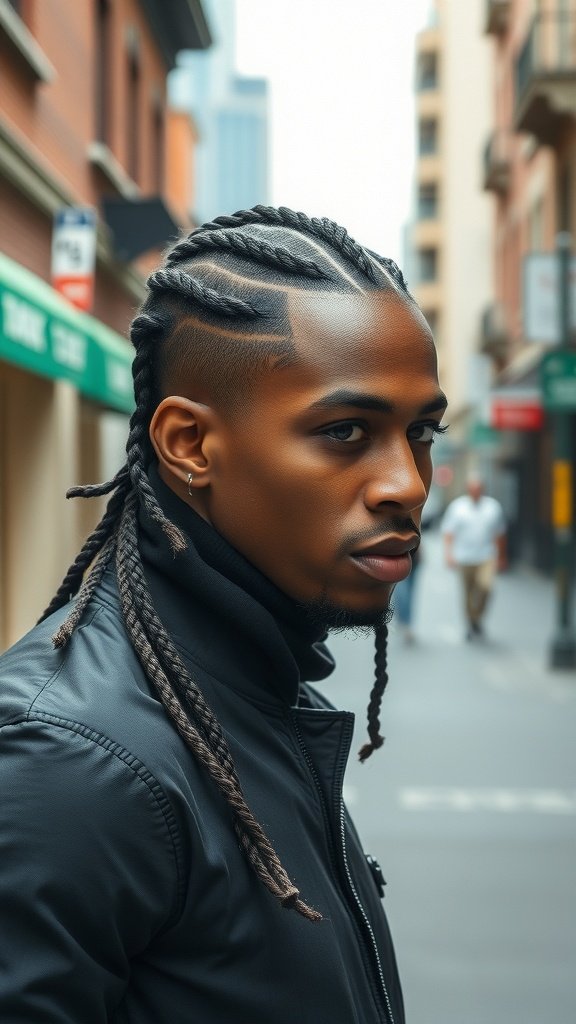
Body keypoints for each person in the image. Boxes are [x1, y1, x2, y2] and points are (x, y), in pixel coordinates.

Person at [0, 205, 447, 1024]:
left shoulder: (254, 686)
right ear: (191, 445)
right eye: (347, 431)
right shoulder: (69, 761)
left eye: (422, 432)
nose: (408, 484)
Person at [441, 474, 506, 640]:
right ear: (468, 490)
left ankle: (477, 617)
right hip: (464, 557)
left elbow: (500, 534)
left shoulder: (493, 507)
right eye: (472, 489)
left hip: (486, 555)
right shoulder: (458, 507)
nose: (475, 492)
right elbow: (448, 533)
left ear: (482, 490)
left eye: (478, 489)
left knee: (486, 587)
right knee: (468, 593)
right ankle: (471, 623)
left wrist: (501, 557)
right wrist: (449, 554)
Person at [392, 545, 421, 644]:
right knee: (402, 592)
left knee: (409, 593)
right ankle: (406, 622)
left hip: (414, 559)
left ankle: (405, 621)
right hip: (396, 560)